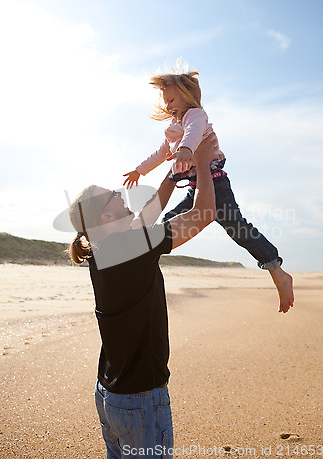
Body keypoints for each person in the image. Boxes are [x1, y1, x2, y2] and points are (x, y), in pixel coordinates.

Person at [68, 134, 219, 459]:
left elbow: (148, 214)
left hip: (110, 394)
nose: (120, 194)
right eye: (111, 196)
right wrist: (203, 161)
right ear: (106, 218)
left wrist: (175, 170)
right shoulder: (129, 248)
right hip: (139, 399)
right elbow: (204, 213)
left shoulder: (103, 248)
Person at [123, 68, 294, 314]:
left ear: (187, 96)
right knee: (169, 221)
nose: (168, 106)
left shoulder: (195, 115)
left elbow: (192, 136)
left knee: (237, 228)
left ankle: (277, 271)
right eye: (165, 101)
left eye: (171, 100)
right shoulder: (173, 127)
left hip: (215, 183)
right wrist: (140, 171)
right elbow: (160, 154)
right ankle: (144, 264)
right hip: (196, 187)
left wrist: (186, 150)